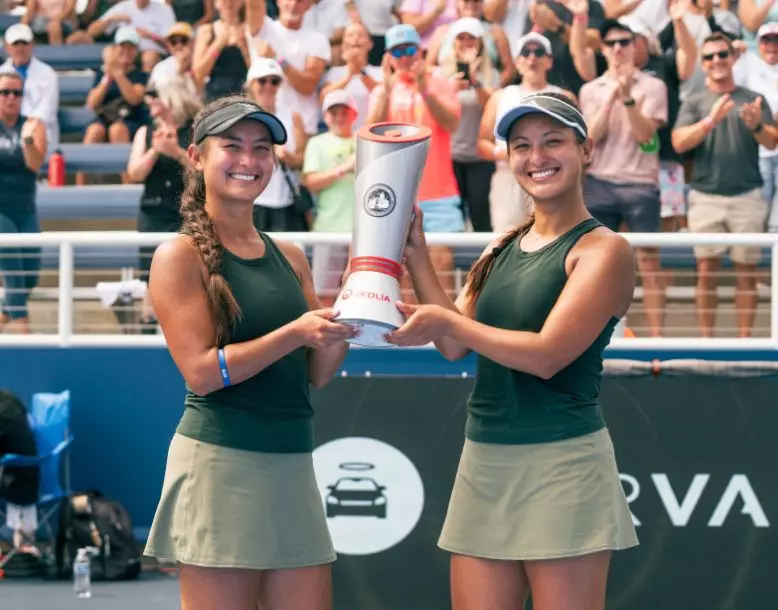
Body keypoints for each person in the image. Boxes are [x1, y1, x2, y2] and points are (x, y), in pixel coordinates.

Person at [386, 92, 638, 610]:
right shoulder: (500, 244)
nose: (536, 157)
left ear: (585, 149)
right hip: (484, 459)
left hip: (563, 463)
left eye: (553, 142)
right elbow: (453, 343)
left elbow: (547, 355)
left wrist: (442, 321)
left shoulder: (605, 250)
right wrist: (416, 257)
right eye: (521, 145)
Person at [143, 96, 357, 610]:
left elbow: (320, 372)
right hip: (220, 466)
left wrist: (351, 305)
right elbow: (201, 373)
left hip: (291, 463)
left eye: (262, 149)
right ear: (195, 156)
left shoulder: (290, 255)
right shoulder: (177, 256)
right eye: (232, 146)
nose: (249, 159)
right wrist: (295, 333)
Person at [672, 33, 776, 338]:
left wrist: (756, 124)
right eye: (709, 57)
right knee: (706, 270)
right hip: (705, 197)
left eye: (721, 54)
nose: (716, 60)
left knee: (747, 271)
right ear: (703, 64)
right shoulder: (694, 101)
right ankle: (707, 344)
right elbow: (678, 143)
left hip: (748, 194)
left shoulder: (753, 98)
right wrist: (709, 122)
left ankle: (744, 342)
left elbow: (772, 140)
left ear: (732, 57)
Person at [126, 79, 202, 332]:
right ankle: (149, 328)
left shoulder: (195, 132)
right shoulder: (145, 133)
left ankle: (185, 331)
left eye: (155, 95)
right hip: (153, 212)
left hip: (187, 213)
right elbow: (134, 173)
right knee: (150, 274)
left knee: (186, 274)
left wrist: (176, 152)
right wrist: (156, 151)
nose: (150, 101)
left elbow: (204, 171)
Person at [0, 70, 47, 335]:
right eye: (4, 92)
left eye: (16, 93)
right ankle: (23, 331)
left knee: (31, 275)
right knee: (13, 269)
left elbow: (34, 164)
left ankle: (5, 314)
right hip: (0, 210)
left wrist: (28, 139)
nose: (10, 98)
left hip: (26, 208)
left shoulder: (32, 125)